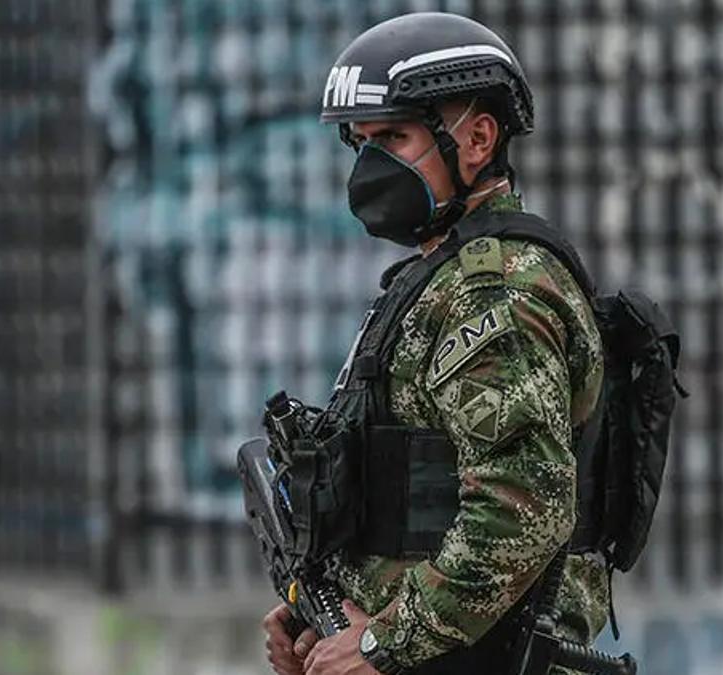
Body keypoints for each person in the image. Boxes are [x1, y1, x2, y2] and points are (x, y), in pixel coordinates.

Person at [261, 12, 609, 675]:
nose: (370, 164)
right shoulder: (440, 277)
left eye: (393, 136)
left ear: (477, 138)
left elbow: (521, 508)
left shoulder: (496, 291)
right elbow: (416, 491)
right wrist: (326, 606)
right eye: (360, 141)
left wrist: (381, 640)